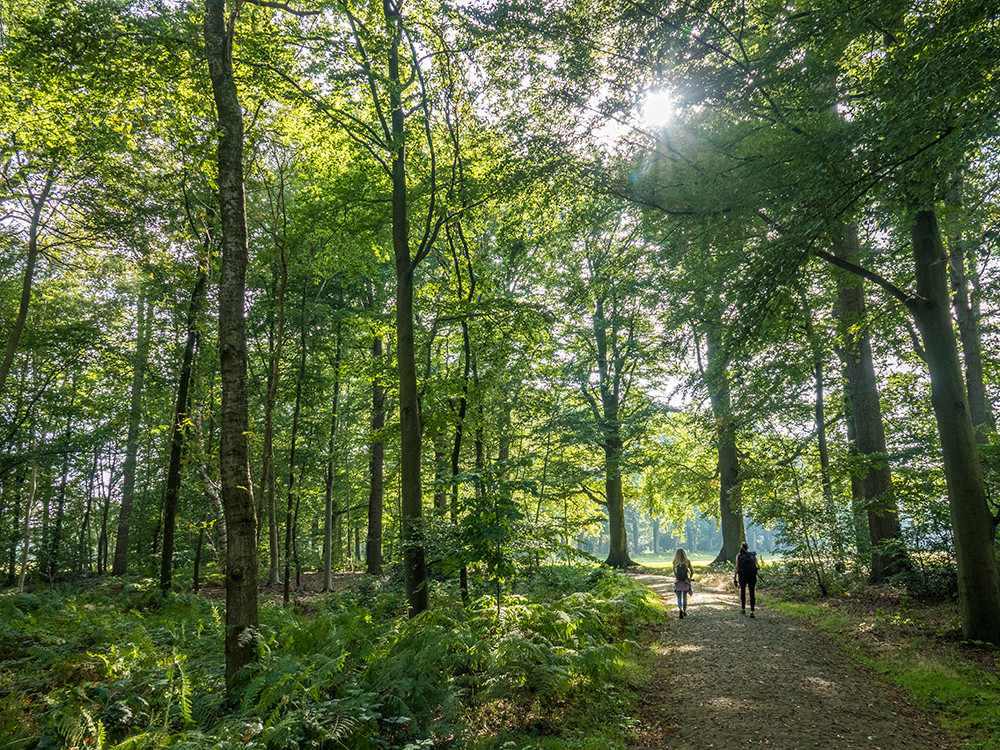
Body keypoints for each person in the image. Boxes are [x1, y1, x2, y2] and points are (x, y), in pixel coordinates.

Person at [733, 541, 759, 617]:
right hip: (752, 576)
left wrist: (735, 577)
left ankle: (743, 609)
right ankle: (752, 611)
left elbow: (737, 567)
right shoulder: (752, 555)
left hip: (742, 576)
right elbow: (758, 566)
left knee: (743, 592)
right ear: (747, 548)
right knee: (752, 592)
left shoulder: (739, 556)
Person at [672, 548, 694, 618]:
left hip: (678, 581)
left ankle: (680, 609)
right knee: (684, 597)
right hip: (685, 581)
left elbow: (675, 573)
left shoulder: (675, 562)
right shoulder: (687, 561)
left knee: (679, 597)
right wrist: (689, 578)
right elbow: (692, 571)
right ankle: (684, 611)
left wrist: (677, 577)